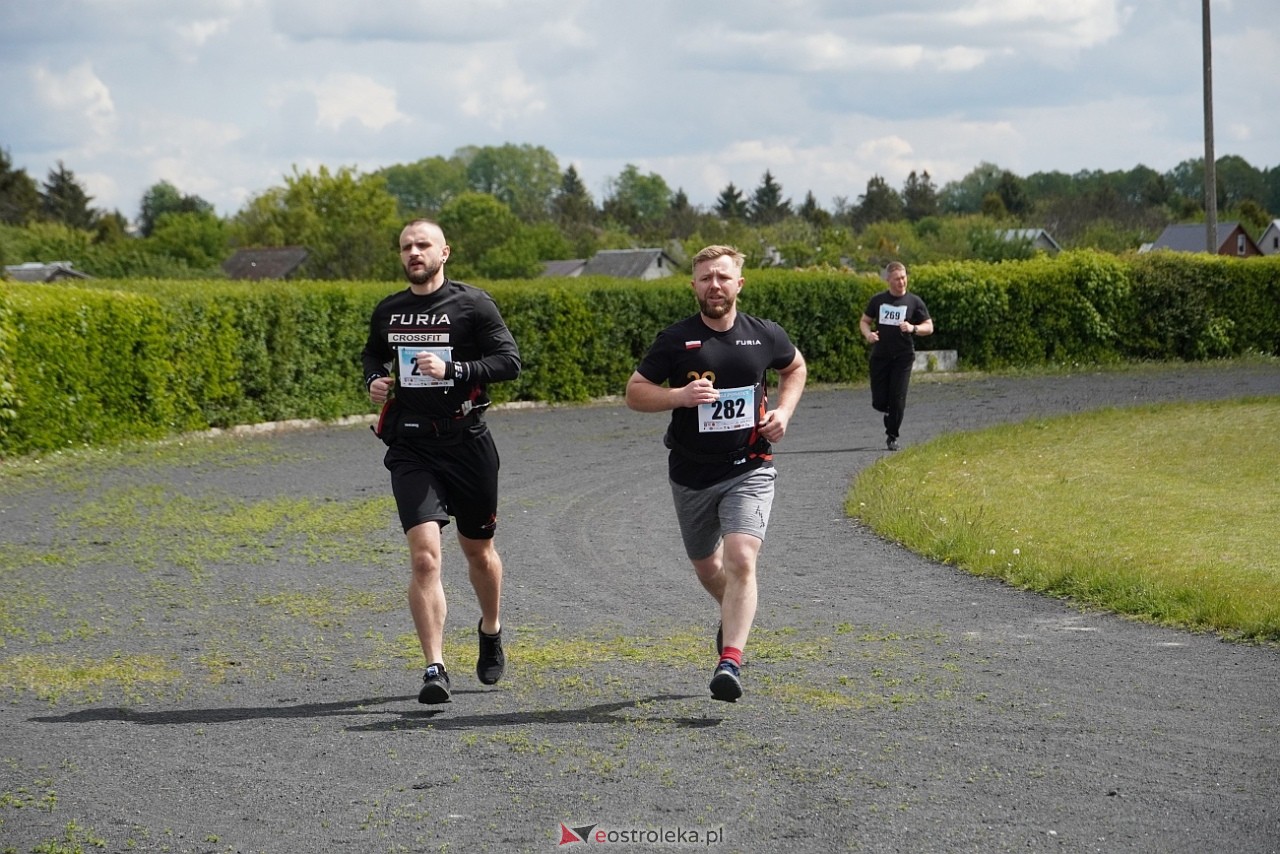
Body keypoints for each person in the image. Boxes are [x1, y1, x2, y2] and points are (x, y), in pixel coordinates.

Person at [625, 245, 806, 703]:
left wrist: (784, 411)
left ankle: (730, 660)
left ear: (739, 284)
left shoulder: (764, 335)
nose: (715, 286)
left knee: (742, 558)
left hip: (750, 466)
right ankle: (732, 614)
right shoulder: (674, 340)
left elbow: (795, 367)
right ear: (694, 286)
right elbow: (634, 393)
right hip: (691, 474)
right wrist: (679, 397)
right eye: (705, 278)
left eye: (723, 277)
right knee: (709, 567)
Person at [361, 219, 521, 704]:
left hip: (468, 441)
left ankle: (490, 630)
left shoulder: (473, 303)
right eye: (407, 246)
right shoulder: (389, 310)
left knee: (479, 553)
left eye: (423, 245)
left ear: (444, 252)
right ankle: (435, 667)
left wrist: (456, 369)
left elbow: (509, 362)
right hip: (412, 445)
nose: (414, 252)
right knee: (426, 557)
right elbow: (372, 355)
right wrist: (373, 380)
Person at [859, 261, 933, 451]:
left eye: (904, 277)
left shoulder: (914, 302)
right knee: (880, 401)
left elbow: (929, 327)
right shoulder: (878, 301)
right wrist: (868, 334)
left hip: (903, 357)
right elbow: (865, 321)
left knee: (898, 398)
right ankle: (889, 412)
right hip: (881, 356)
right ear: (888, 280)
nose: (902, 282)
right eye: (897, 279)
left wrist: (913, 328)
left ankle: (892, 436)